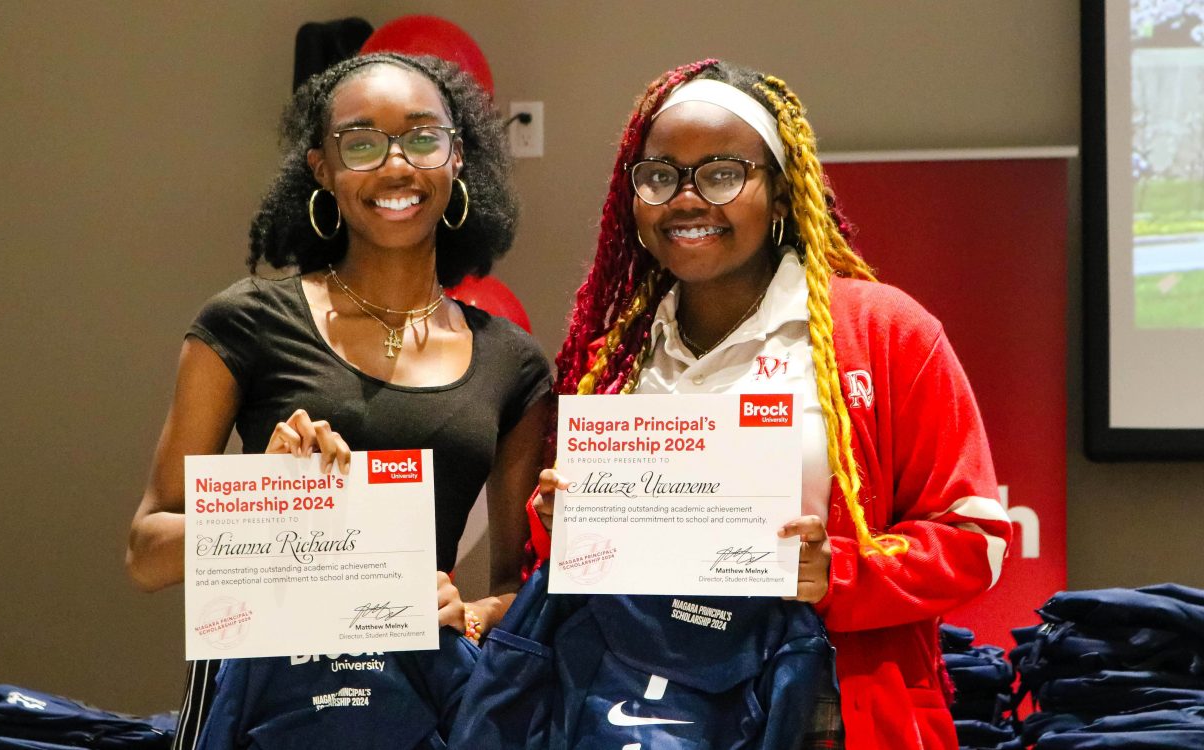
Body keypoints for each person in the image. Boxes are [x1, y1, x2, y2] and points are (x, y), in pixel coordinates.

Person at [529, 59, 1012, 749]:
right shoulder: (613, 356)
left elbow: (977, 539)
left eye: (723, 174)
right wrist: (558, 523)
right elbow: (578, 564)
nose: (686, 198)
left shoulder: (882, 332)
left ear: (782, 195)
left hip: (829, 709)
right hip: (640, 705)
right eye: (660, 176)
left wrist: (836, 573)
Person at [125, 52, 551, 749]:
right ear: (321, 168)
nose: (395, 166)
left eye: (422, 137)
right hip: (266, 701)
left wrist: (472, 610)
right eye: (361, 143)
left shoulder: (514, 362)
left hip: (422, 707)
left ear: (457, 156)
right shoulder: (247, 322)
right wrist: (267, 498)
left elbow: (512, 585)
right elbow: (146, 553)